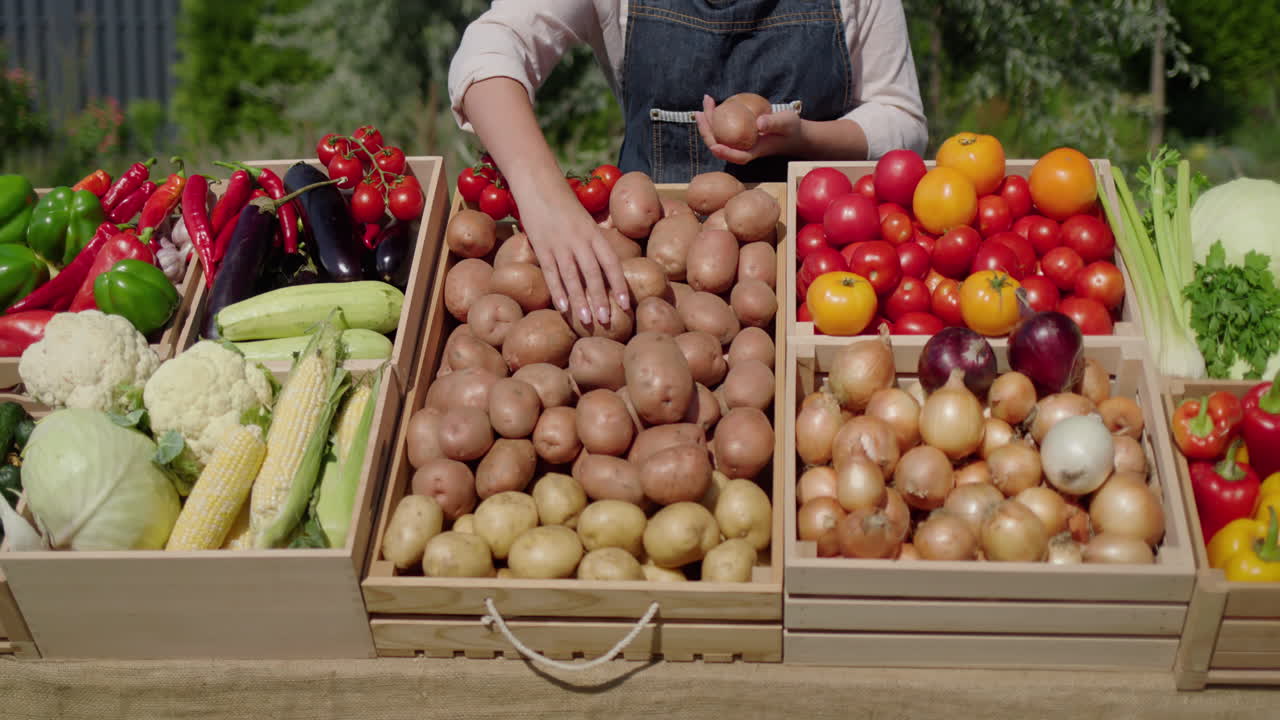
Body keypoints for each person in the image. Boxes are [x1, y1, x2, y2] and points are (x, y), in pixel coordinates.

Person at [449, 0, 927, 329]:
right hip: (649, 261)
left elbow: (901, 117)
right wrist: (543, 195)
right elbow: (490, 47)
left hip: (816, 269)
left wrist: (806, 137)